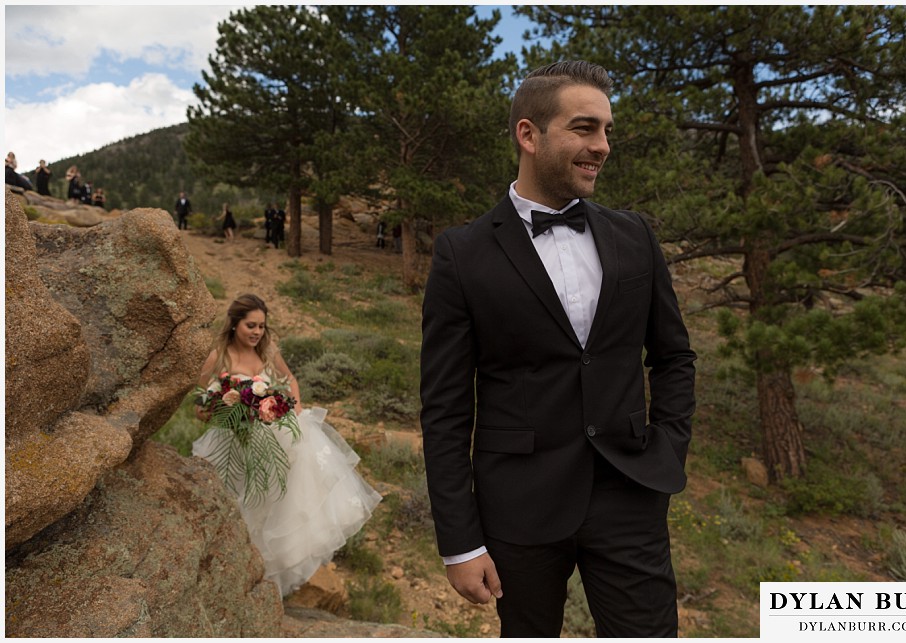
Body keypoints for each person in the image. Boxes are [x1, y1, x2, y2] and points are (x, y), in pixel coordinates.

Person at [420, 60, 697, 638]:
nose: (602, 146)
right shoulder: (462, 254)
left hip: (630, 494)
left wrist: (668, 447)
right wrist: (460, 542)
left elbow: (672, 357)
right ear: (529, 134)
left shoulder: (634, 236)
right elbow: (445, 408)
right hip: (518, 507)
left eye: (606, 131)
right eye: (584, 128)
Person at [192, 294, 381, 596]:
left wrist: (295, 407)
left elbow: (289, 378)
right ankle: (231, 577)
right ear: (234, 324)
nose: (256, 332)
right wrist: (225, 409)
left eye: (261, 327)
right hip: (235, 443)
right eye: (250, 325)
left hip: (273, 438)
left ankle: (265, 580)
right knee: (241, 507)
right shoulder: (218, 357)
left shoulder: (267, 352)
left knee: (280, 503)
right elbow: (201, 406)